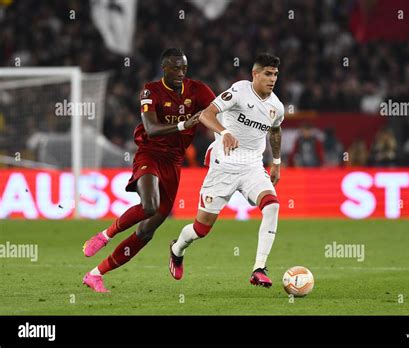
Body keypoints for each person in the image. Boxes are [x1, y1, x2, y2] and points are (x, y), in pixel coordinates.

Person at [81, 48, 216, 292]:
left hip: (174, 162)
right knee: (149, 206)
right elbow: (152, 128)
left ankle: (95, 274)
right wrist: (187, 122)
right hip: (150, 153)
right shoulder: (150, 90)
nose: (180, 73)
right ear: (164, 68)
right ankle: (104, 236)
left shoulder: (196, 89)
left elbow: (218, 109)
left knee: (146, 231)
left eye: (184, 68)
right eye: (175, 68)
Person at [168, 53, 284, 288]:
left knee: (272, 205)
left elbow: (275, 131)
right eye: (268, 74)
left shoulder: (277, 106)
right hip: (224, 165)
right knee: (201, 229)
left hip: (252, 166)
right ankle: (176, 248)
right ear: (255, 74)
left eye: (275, 75)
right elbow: (206, 114)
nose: (272, 79)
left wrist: (277, 162)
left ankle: (259, 268)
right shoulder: (239, 91)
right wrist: (225, 132)